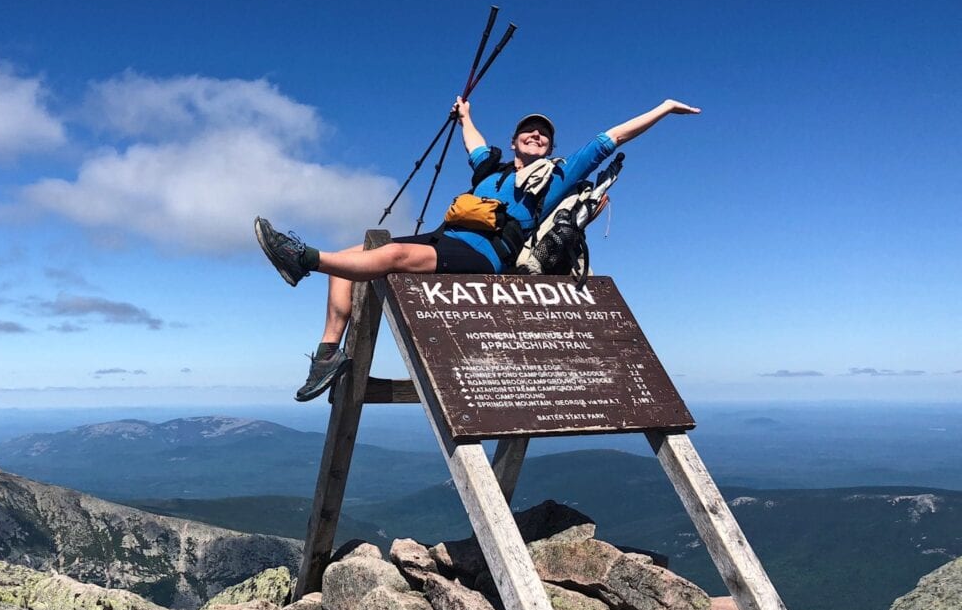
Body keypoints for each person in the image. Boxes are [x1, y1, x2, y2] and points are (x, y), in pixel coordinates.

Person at [254, 96, 701, 401]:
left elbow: (612, 138)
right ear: (513, 141)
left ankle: (301, 258)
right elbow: (473, 145)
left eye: (543, 135)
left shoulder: (558, 175)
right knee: (349, 261)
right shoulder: (491, 171)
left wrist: (662, 109)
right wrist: (465, 114)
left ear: (551, 146)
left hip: (487, 254)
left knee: (390, 257)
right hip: (444, 237)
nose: (535, 136)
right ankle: (328, 355)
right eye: (528, 132)